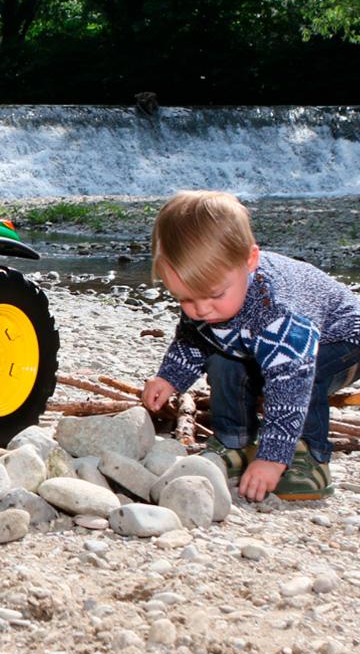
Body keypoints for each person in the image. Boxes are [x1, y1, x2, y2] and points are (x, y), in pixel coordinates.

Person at [142, 191, 360, 502]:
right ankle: (236, 442)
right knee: (223, 359)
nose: (201, 309)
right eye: (185, 299)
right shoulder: (210, 297)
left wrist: (272, 457)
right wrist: (169, 378)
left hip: (341, 337)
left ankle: (308, 457)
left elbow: (290, 384)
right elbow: (194, 338)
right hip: (274, 343)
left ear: (250, 261)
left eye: (214, 295)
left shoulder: (276, 311)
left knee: (304, 379)